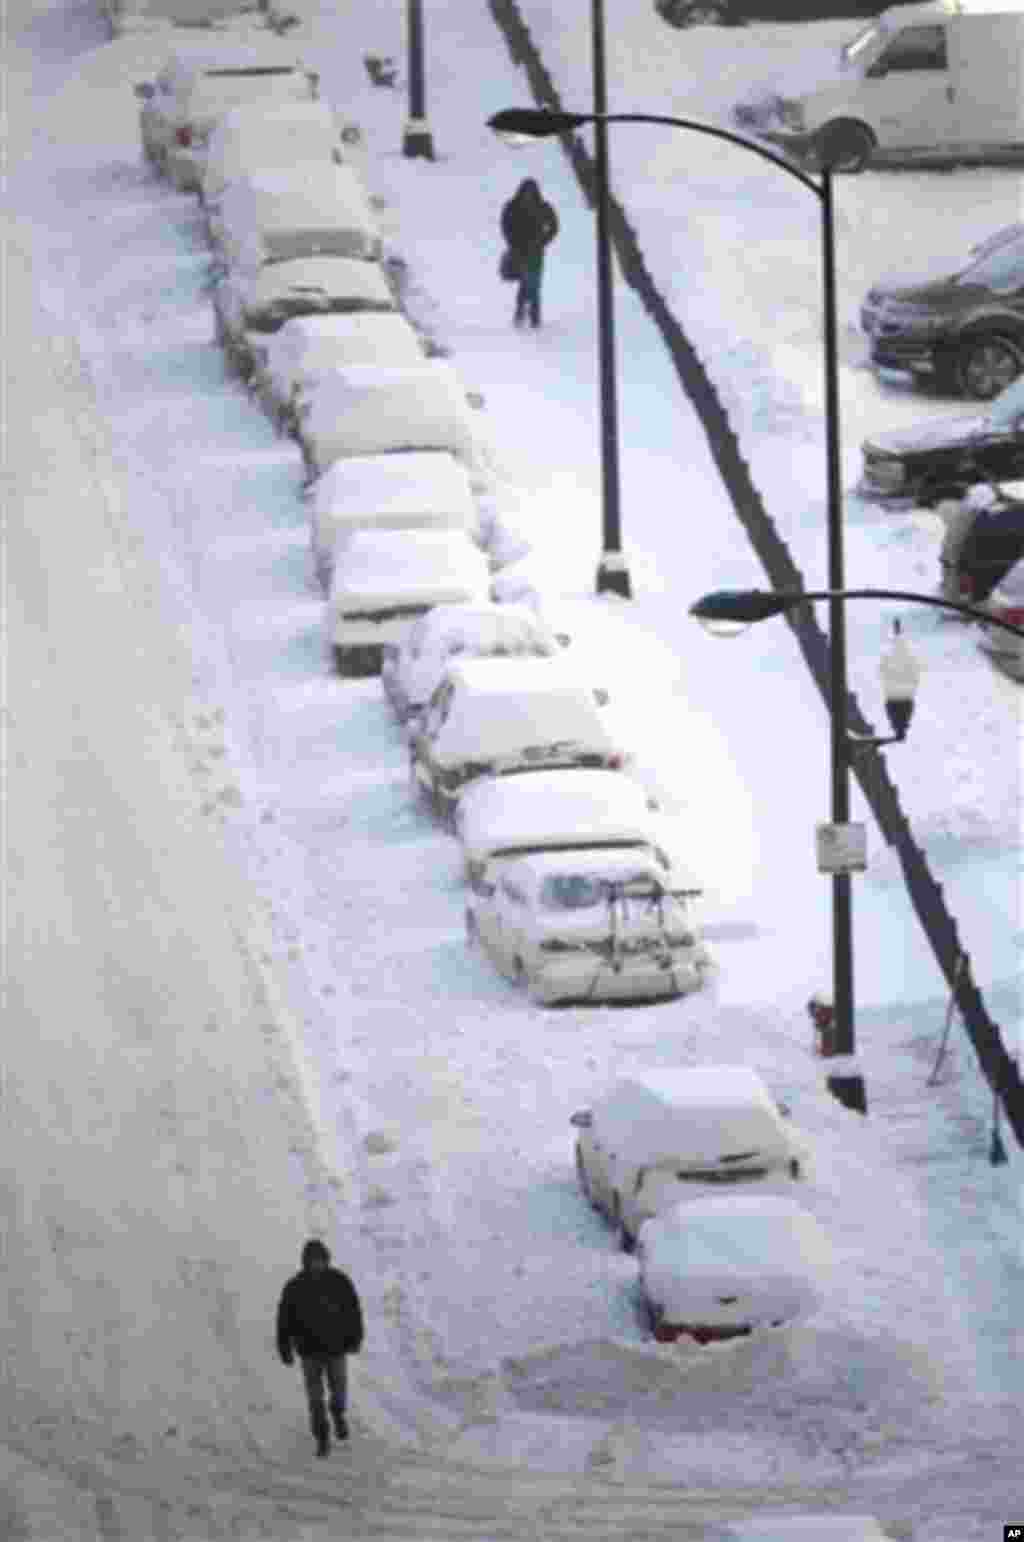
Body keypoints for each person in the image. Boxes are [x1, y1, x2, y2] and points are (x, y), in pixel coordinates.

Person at [276, 1238, 364, 1458]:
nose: (317, 1264)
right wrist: (284, 1346)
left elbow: (353, 1311)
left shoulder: (339, 1282)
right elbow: (284, 1320)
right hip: (309, 1351)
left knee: (339, 1390)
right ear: (305, 1262)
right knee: (315, 1399)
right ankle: (322, 1438)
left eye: (320, 1260)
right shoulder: (295, 1287)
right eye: (312, 1261)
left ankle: (338, 1414)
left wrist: (355, 1338)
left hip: (337, 1348)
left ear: (326, 1260)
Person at [500, 178, 559, 329]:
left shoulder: (543, 207)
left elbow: (554, 226)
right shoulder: (512, 206)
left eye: (531, 192)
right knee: (528, 282)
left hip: (536, 252)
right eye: (526, 192)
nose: (528, 195)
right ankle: (527, 315)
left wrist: (543, 241)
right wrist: (512, 242)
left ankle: (530, 316)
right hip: (519, 250)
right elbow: (505, 225)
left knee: (533, 283)